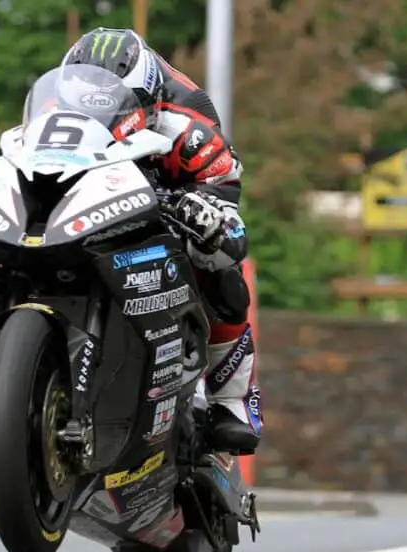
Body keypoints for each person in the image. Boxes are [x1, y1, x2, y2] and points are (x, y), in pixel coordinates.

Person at [57, 27, 262, 454]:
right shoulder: (51, 108)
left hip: (162, 202)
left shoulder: (189, 125)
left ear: (149, 101)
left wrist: (202, 214)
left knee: (220, 265)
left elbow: (230, 223)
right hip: (78, 207)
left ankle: (233, 401)